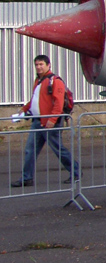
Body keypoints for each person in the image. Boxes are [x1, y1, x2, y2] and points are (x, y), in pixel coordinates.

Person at [13, 55, 79, 188]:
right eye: (36, 65)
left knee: (58, 149)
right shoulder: (39, 81)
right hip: (38, 121)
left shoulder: (55, 81)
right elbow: (35, 100)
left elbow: (59, 102)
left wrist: (52, 119)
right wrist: (24, 109)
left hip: (50, 123)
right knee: (30, 150)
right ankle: (27, 178)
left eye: (41, 64)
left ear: (48, 65)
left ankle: (76, 172)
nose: (38, 67)